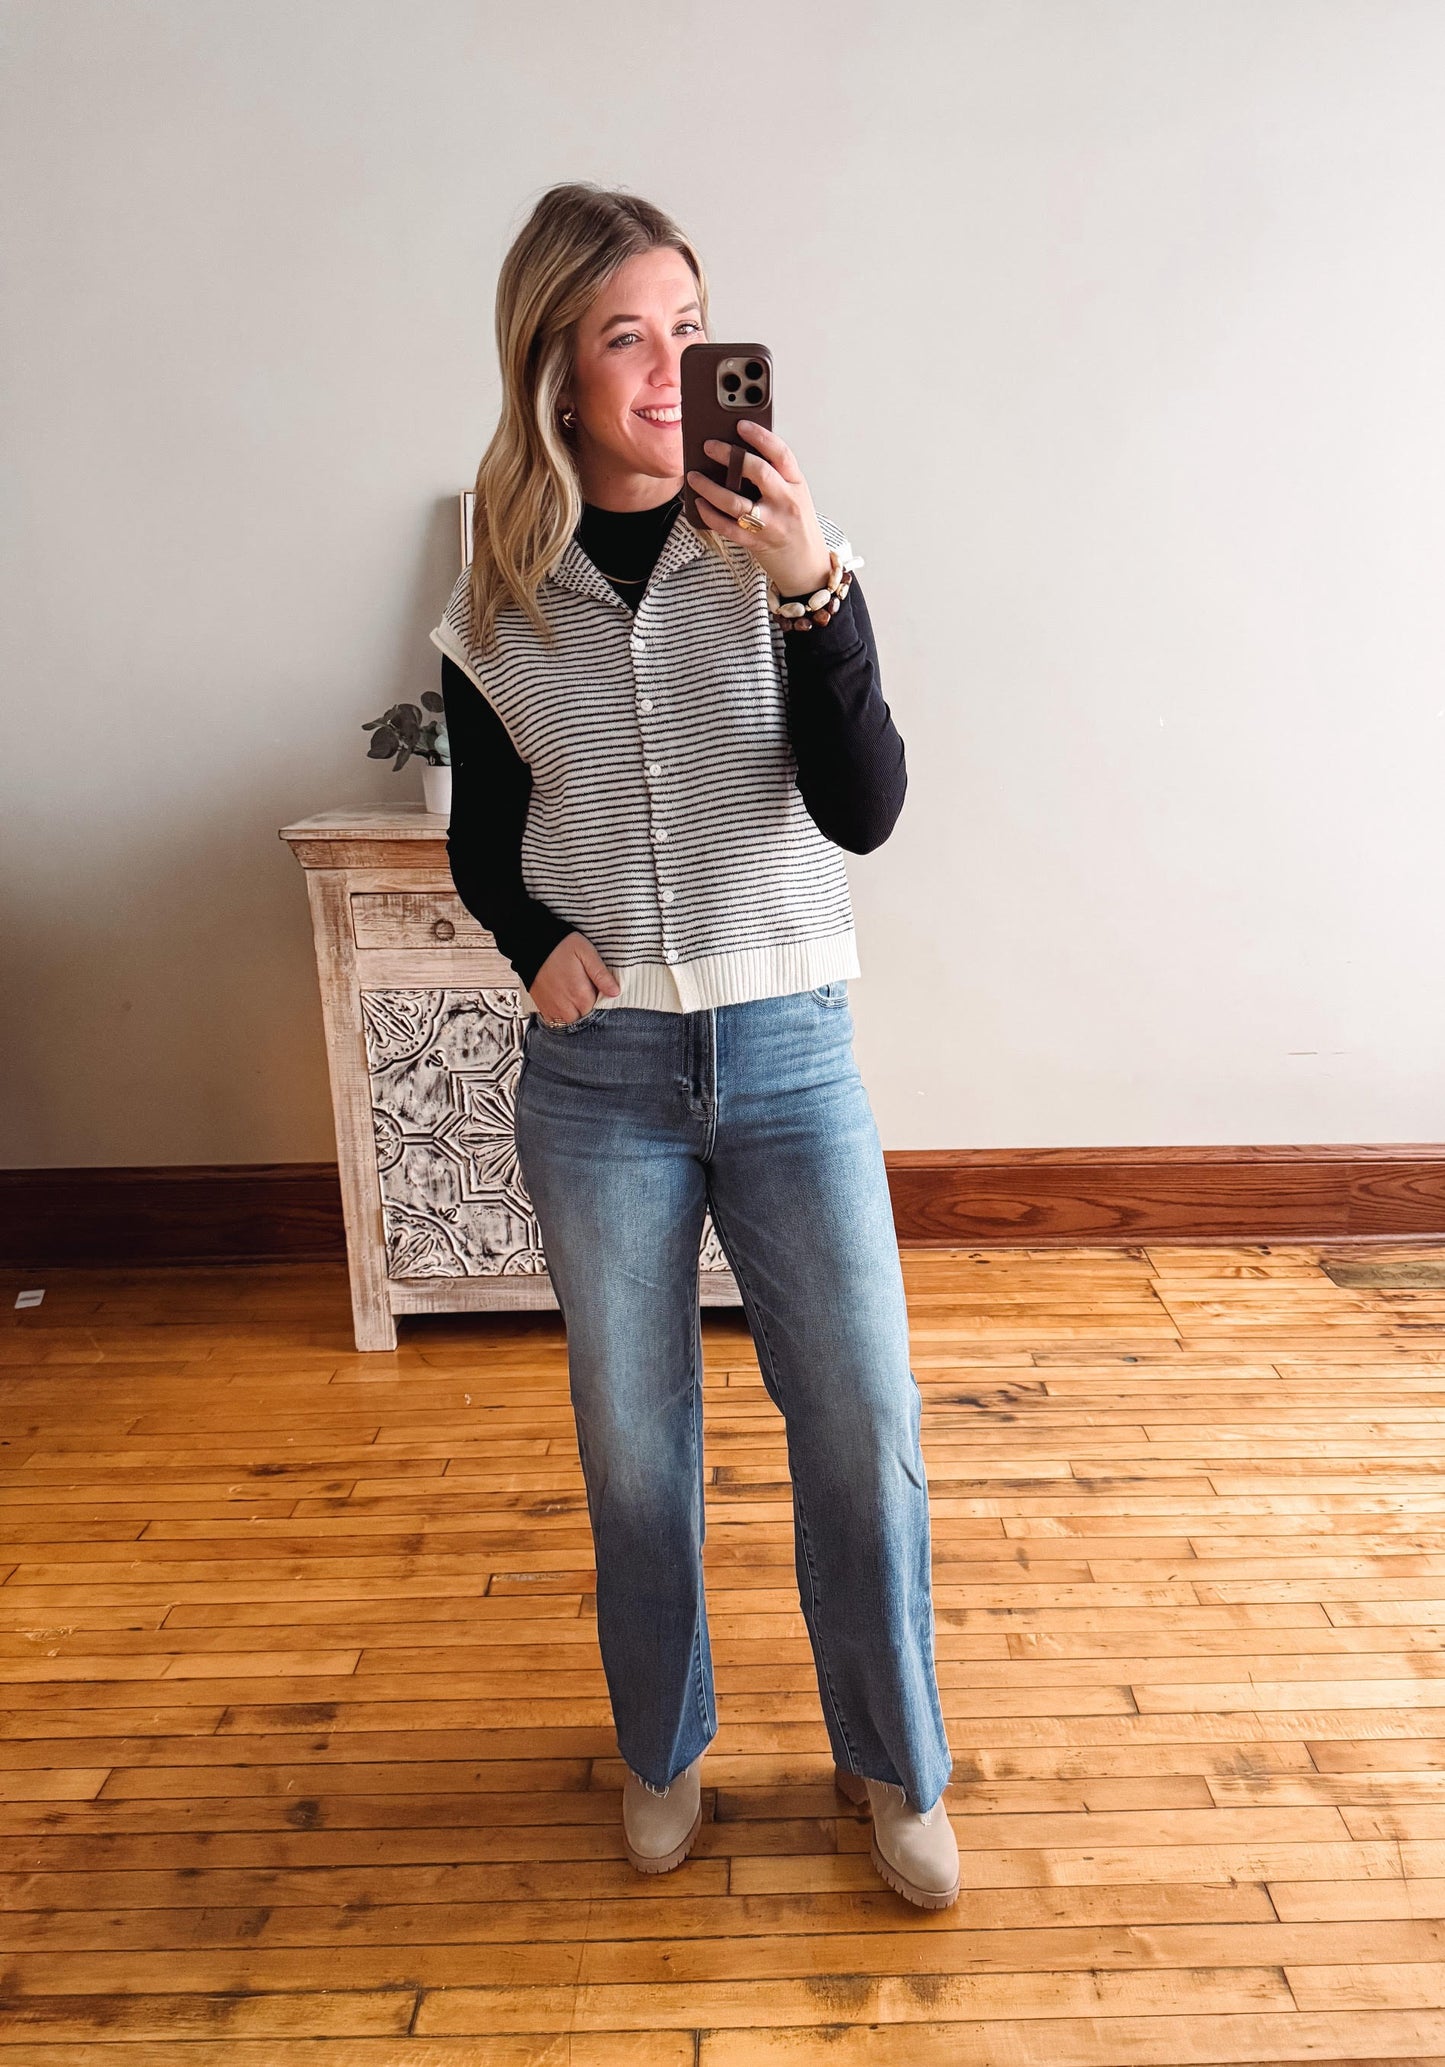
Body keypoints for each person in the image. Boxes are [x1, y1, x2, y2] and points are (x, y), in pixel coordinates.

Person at [430, 181, 958, 1909]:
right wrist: (534, 948)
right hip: (603, 1088)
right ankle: (661, 1748)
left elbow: (865, 810)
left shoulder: (790, 555)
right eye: (624, 338)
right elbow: (482, 838)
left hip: (790, 1053)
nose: (668, 369)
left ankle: (894, 1765)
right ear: (555, 374)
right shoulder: (498, 599)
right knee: (634, 1445)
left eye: (688, 328)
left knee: (861, 1424)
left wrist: (813, 594)